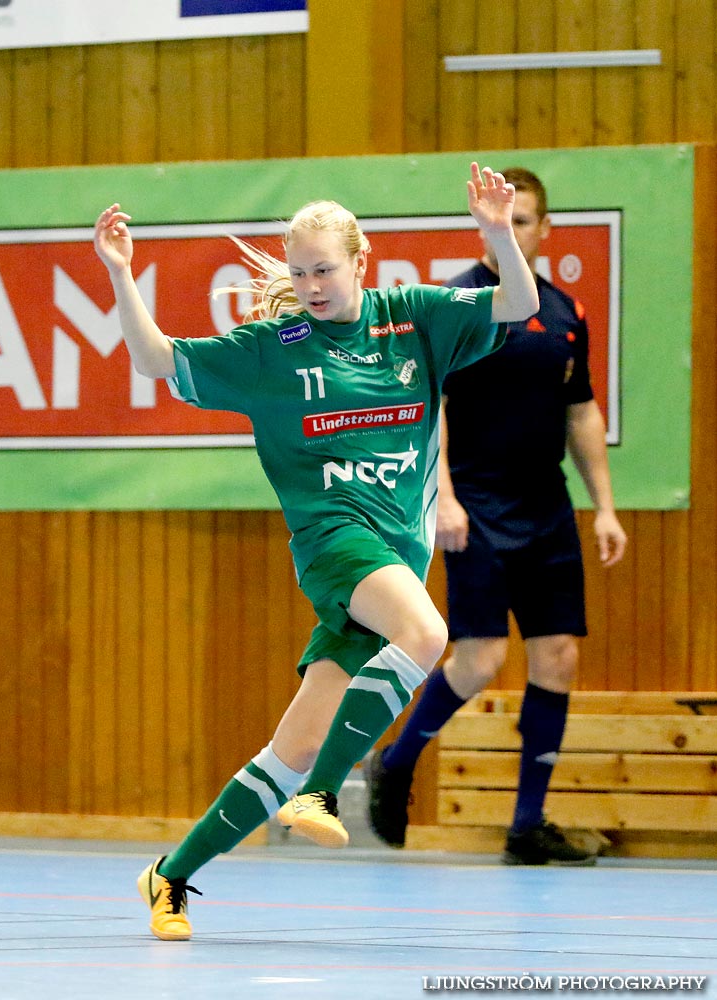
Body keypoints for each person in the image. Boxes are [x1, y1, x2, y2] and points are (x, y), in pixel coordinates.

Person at [93, 162, 538, 941]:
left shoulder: (413, 318)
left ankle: (168, 877)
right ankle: (328, 793)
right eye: (298, 273)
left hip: (396, 556)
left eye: (324, 269)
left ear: (360, 261)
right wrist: (122, 276)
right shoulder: (274, 347)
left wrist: (498, 233)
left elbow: (518, 303)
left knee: (288, 749)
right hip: (335, 543)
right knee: (429, 635)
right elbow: (156, 358)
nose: (310, 285)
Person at [364, 167, 627, 866]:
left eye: (525, 220)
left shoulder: (565, 312)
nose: (512, 231)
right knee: (479, 659)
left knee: (559, 657)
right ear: (484, 224)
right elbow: (430, 406)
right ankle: (395, 761)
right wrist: (442, 496)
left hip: (545, 504)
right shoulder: (455, 303)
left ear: (544, 231)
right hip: (473, 503)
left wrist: (603, 507)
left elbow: (582, 411)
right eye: (501, 219)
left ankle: (525, 825)